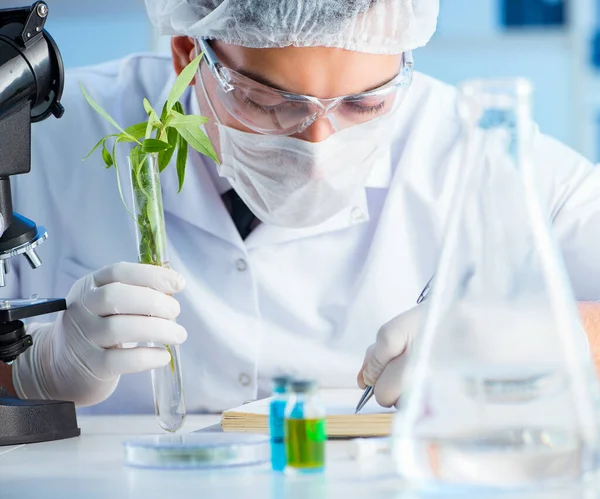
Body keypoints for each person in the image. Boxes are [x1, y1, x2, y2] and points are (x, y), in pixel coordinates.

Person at [0, 0, 599, 414]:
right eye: (269, 103)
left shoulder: (478, 152)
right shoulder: (41, 139)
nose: (319, 146)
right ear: (188, 53)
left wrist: (535, 336)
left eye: (364, 107)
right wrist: (31, 374)